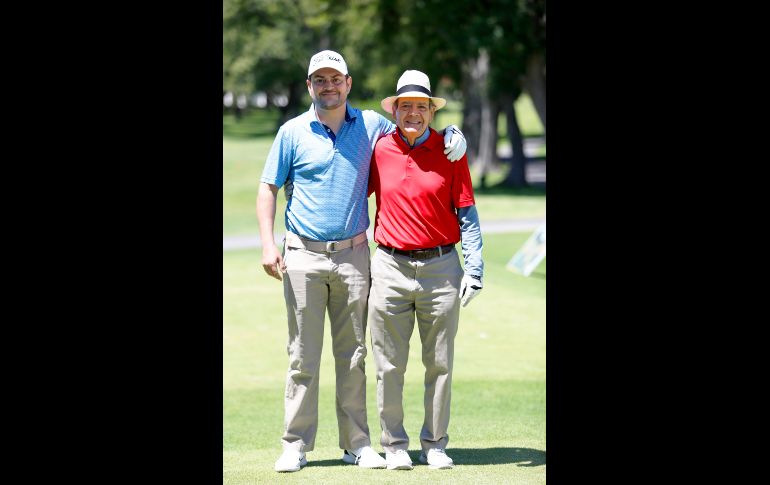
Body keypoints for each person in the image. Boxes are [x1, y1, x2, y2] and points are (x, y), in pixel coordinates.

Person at [256, 51, 468, 473]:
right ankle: (295, 445)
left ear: (348, 83)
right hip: (302, 256)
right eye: (320, 80)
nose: (328, 86)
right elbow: (268, 189)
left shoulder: (372, 125)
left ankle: (356, 444)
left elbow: (416, 128)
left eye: (336, 79)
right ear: (309, 86)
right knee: (302, 356)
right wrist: (268, 243)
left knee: (353, 355)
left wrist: (452, 133)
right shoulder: (292, 132)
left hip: (354, 256)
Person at [366, 70, 484, 471]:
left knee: (439, 363)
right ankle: (394, 444)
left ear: (431, 111)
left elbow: (466, 212)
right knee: (389, 364)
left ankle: (434, 443)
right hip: (389, 265)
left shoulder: (452, 151)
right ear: (395, 110)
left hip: (441, 267)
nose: (413, 113)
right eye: (406, 106)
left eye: (421, 106)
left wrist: (476, 267)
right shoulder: (379, 148)